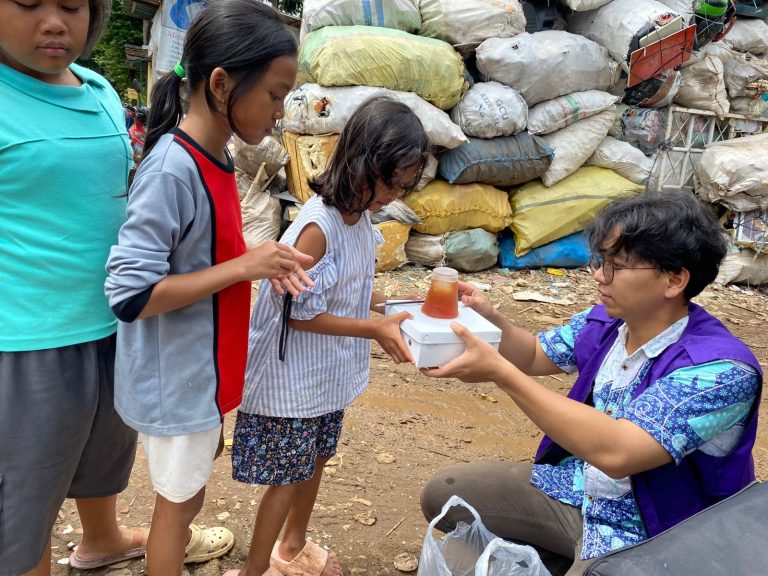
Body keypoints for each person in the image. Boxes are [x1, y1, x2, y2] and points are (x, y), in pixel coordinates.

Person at [419, 191, 763, 575]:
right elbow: (534, 353)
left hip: (658, 533)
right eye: (600, 261)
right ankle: (558, 555)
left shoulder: (719, 372)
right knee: (447, 493)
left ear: (674, 279)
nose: (599, 276)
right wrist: (490, 319)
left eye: (616, 265)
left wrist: (501, 373)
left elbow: (619, 453)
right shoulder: (609, 322)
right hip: (581, 490)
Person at [103, 1, 312, 574]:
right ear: (221, 83)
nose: (279, 112)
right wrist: (242, 268)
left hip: (201, 371)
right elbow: (130, 294)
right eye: (273, 94)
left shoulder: (213, 156)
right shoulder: (173, 168)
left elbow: (199, 256)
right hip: (177, 375)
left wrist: (258, 261)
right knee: (174, 509)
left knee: (188, 495)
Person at [230, 96, 430, 576]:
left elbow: (352, 286)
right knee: (287, 478)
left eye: (406, 184)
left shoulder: (360, 217)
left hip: (325, 374)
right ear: (363, 163)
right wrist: (374, 328)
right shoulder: (317, 229)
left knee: (318, 458)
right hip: (293, 376)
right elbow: (299, 315)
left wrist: (406, 307)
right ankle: (256, 569)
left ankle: (292, 545)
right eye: (393, 181)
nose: (397, 194)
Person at [0, 0, 151, 573]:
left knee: (103, 451)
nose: (55, 21)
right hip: (27, 336)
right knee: (27, 488)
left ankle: (102, 539)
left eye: (72, 5)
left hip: (113, 318)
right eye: (29, 3)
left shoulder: (98, 89)